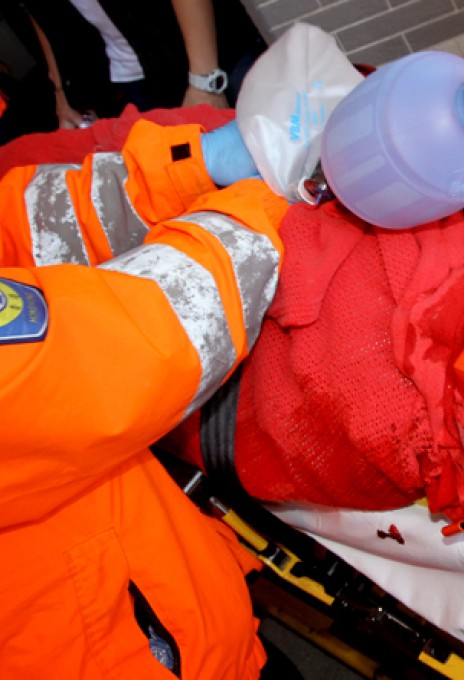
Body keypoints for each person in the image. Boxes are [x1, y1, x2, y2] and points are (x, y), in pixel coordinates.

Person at [0, 116, 297, 677]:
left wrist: (186, 171)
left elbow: (28, 230)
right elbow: (123, 353)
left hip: (166, 601)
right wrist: (253, 209)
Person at [1, 0, 265, 128]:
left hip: (207, 57)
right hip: (131, 76)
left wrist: (206, 80)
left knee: (282, 161)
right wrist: (61, 91)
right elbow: (38, 13)